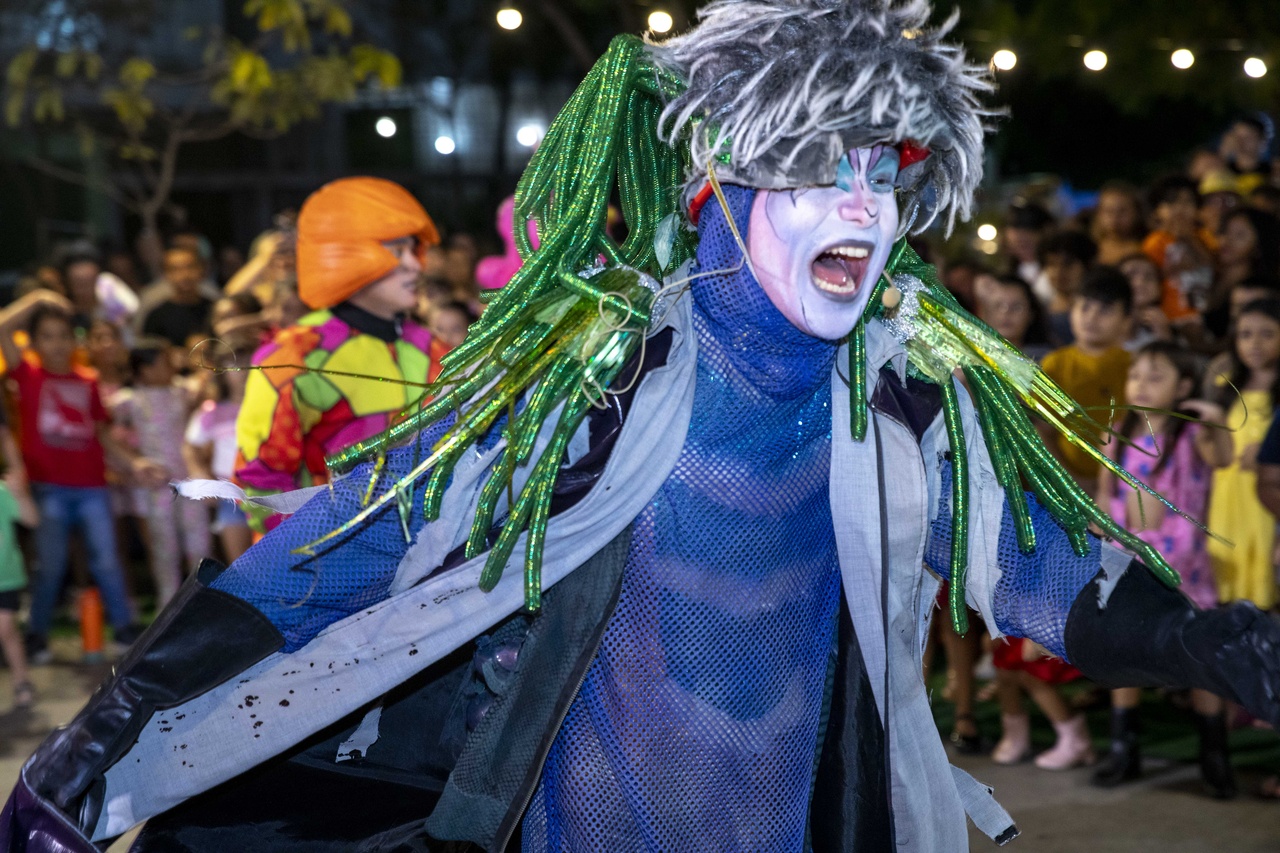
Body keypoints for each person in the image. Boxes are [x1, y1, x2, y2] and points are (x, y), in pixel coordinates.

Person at [10, 4, 1280, 851]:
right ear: (713, 186)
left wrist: (1206, 641)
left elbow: (1044, 573)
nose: (863, 205)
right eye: (817, 166)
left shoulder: (902, 401)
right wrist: (109, 731)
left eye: (883, 173)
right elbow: (342, 547)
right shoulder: (591, 379)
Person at [232, 177, 438, 533]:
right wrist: (310, 556)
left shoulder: (432, 348)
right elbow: (259, 484)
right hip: (334, 564)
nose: (415, 266)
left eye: (413, 249)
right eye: (395, 250)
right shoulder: (295, 356)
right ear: (345, 254)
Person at [1094, 342, 1236, 797]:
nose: (1142, 383)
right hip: (1129, 557)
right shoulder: (1118, 431)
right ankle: (1124, 747)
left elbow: (1225, 457)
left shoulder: (1195, 435)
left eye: (1156, 376)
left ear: (1184, 387)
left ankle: (1214, 753)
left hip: (1184, 568)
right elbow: (1103, 491)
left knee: (1197, 655)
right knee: (1126, 651)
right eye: (1137, 375)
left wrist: (1211, 414)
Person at [0, 292, 163, 663]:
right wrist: (38, 298)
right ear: (35, 342)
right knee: (51, 564)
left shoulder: (88, 381)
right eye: (48, 336)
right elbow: (3, 327)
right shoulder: (27, 373)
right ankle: (37, 636)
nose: (57, 344)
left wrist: (134, 463)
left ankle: (124, 629)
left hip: (92, 487)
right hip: (47, 488)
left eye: (64, 335)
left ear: (75, 340)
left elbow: (102, 434)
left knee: (106, 560)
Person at [110, 342, 211, 607]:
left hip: (189, 480)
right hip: (157, 484)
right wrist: (133, 462)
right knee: (165, 549)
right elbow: (106, 433)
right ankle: (170, 605)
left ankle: (202, 601)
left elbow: (206, 380)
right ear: (144, 370)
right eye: (163, 363)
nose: (171, 368)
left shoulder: (182, 392)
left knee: (199, 542)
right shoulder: (128, 401)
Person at [1206, 297, 1280, 611]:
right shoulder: (1226, 387)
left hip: (1264, 499)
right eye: (1246, 334)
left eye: (1267, 333)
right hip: (1227, 494)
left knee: (1262, 558)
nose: (1255, 343)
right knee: (1228, 562)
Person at [1040, 267, 1134, 490]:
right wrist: (1072, 481)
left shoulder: (1134, 366)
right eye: (1085, 307)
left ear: (1127, 321)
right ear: (1071, 311)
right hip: (1066, 486)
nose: (1091, 317)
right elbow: (1042, 433)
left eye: (1105, 310)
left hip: (1123, 487)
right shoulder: (1055, 364)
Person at [184, 346, 254, 563]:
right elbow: (190, 446)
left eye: (248, 365)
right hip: (230, 495)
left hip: (271, 491)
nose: (241, 373)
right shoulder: (212, 411)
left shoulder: (271, 407)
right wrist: (200, 474)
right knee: (240, 565)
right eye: (233, 367)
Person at [1144, 174, 1215, 323]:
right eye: (1172, 202)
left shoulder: (1204, 237)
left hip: (1204, 314)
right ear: (1158, 210)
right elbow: (1149, 279)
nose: (1180, 208)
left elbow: (1213, 266)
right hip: (1169, 317)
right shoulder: (1155, 242)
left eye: (1188, 202)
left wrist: (1189, 238)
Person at [137, 247, 215, 351]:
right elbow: (149, 354)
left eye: (190, 267)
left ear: (201, 269)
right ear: (166, 274)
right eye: (176, 269)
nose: (185, 275)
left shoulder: (215, 309)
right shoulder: (156, 317)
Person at [1038, 230, 1097, 346]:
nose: (1059, 272)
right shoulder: (1038, 311)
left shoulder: (1096, 314)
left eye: (1068, 264)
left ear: (1087, 266)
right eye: (1052, 264)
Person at [975, 273, 1051, 361]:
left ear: (1031, 314)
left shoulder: (1048, 359)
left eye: (1017, 307)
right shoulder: (972, 358)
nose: (1006, 313)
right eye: (999, 305)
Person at [1117, 253, 1172, 350]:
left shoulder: (1161, 326)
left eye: (1149, 277)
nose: (1140, 282)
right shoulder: (1103, 322)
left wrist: (1164, 336)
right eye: (1130, 276)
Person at [1091, 182, 1147, 266]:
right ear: (1098, 214)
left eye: (1122, 211)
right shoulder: (1091, 250)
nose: (1115, 217)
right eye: (1108, 211)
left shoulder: (1146, 248)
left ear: (1137, 213)